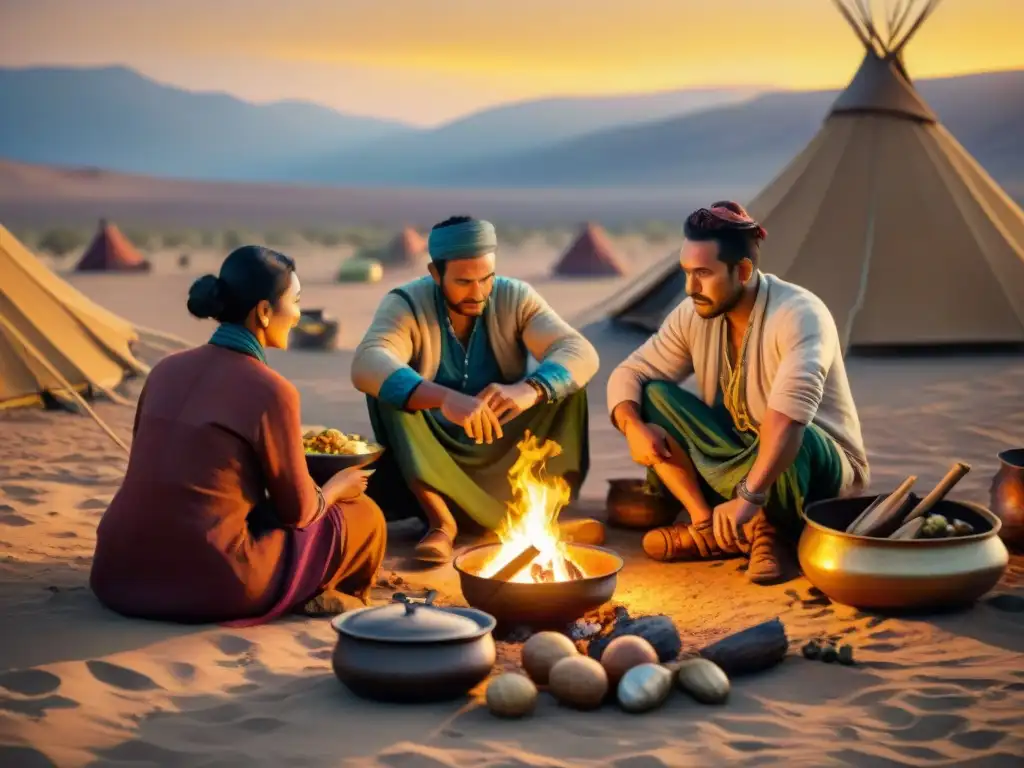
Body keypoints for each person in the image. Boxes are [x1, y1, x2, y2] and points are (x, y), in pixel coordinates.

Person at [90, 245, 386, 624]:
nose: (297, 316)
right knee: (364, 515)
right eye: (294, 302)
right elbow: (299, 513)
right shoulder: (272, 390)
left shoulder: (164, 369)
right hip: (214, 583)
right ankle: (320, 591)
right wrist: (339, 487)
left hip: (117, 571)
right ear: (264, 312)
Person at [606, 202, 869, 584]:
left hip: (812, 472)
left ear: (743, 271)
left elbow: (788, 417)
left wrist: (748, 497)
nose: (690, 288)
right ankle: (707, 526)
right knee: (652, 395)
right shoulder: (694, 312)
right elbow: (630, 372)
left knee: (798, 430)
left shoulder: (799, 314)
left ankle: (769, 532)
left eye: (703, 274)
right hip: (739, 462)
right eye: (686, 273)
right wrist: (631, 426)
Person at [351, 216, 599, 563]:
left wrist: (530, 389)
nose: (479, 292)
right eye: (464, 282)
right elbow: (367, 362)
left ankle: (540, 514)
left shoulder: (515, 297)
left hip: (499, 436)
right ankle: (441, 522)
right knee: (389, 392)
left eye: (487, 278)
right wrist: (444, 398)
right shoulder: (407, 302)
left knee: (567, 385)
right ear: (436, 274)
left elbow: (579, 351)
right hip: (432, 449)